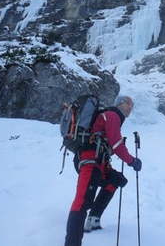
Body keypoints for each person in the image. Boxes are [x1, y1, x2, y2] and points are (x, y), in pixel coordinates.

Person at [64, 95, 142, 246]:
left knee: (115, 180)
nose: (130, 107)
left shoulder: (111, 117)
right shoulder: (112, 115)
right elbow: (117, 145)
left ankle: (93, 219)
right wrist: (132, 161)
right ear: (119, 104)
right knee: (81, 201)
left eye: (132, 105)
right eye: (128, 103)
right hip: (90, 159)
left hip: (99, 161)